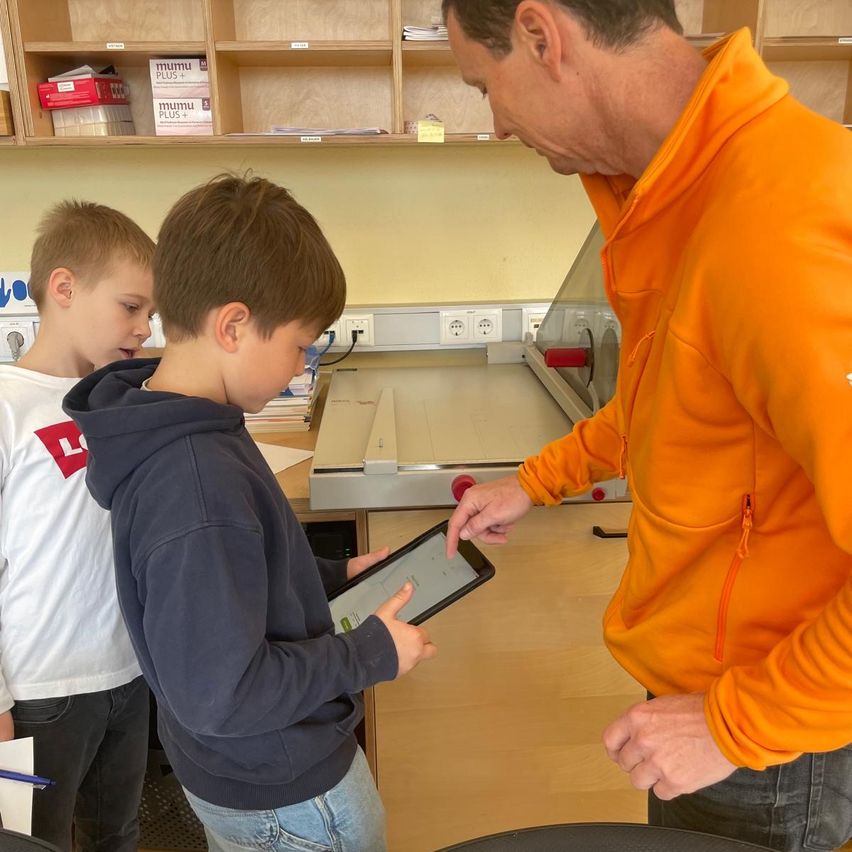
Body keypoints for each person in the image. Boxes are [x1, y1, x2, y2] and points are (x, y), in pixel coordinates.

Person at [441, 1, 852, 849]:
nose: (498, 123)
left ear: (542, 36)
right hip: (713, 708)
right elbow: (669, 402)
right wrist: (535, 482)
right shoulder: (681, 193)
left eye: (485, 86)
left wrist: (733, 724)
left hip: (771, 733)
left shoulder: (772, 225)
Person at [64, 173, 437, 852]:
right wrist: (368, 654)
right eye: (300, 345)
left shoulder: (184, 420)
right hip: (289, 795)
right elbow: (225, 692)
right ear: (233, 326)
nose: (300, 366)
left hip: (246, 776)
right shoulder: (195, 483)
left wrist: (330, 576)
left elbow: (232, 580)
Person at [0, 200, 155, 850]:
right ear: (64, 288)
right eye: (131, 307)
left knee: (116, 833)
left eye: (150, 313)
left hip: (127, 674)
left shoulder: (120, 404)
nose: (144, 329)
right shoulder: (9, 408)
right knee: (33, 841)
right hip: (39, 693)